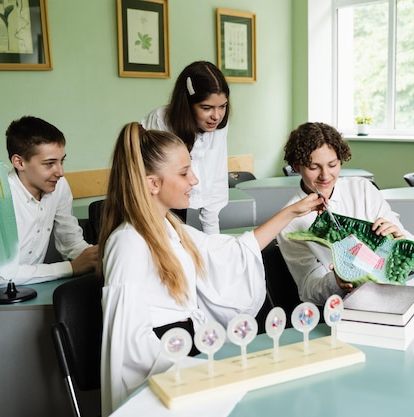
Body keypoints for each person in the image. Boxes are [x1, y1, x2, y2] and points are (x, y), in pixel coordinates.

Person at [99, 122, 322, 414]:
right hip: (165, 373)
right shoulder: (128, 244)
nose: (194, 180)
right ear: (152, 183)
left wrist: (291, 211)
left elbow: (231, 253)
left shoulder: (172, 228)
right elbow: (129, 347)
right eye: (183, 173)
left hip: (188, 358)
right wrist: (193, 371)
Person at [276, 122, 414, 306]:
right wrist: (336, 281)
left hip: (391, 294)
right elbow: (308, 290)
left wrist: (400, 240)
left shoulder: (362, 189)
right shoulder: (288, 220)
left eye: (332, 165)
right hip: (344, 307)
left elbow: (411, 248)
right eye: (314, 167)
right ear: (296, 166)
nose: (325, 175)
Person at [0, 116, 99, 291]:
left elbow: (71, 244)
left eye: (62, 161)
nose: (60, 172)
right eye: (49, 164)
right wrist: (71, 268)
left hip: (25, 290)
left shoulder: (59, 186)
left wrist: (98, 257)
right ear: (19, 162)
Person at [141, 61, 230, 234]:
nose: (216, 116)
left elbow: (216, 178)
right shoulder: (159, 121)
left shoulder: (218, 127)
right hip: (155, 210)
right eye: (206, 108)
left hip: (180, 205)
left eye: (222, 106)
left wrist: (213, 238)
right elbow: (149, 189)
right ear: (187, 104)